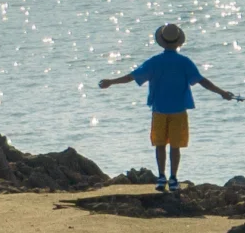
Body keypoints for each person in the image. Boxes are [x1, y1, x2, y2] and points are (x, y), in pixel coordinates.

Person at [98, 23, 234, 192]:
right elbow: (201, 81)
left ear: (162, 42)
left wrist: (111, 82)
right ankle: (174, 178)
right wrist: (222, 92)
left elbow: (132, 77)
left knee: (160, 145)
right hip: (178, 110)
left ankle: (161, 177)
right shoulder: (184, 62)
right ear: (179, 42)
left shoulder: (154, 62)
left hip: (159, 110)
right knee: (175, 147)